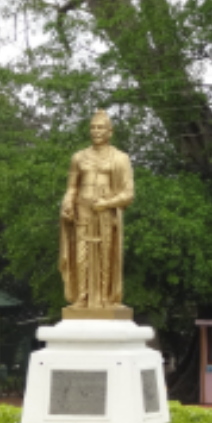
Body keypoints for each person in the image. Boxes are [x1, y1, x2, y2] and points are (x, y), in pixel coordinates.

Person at [59, 109, 134, 310]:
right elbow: (72, 187)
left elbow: (128, 193)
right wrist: (67, 204)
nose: (96, 131)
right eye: (93, 127)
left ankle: (105, 298)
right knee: (81, 254)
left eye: (100, 127)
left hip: (106, 212)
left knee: (105, 254)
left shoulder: (120, 158)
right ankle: (82, 297)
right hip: (83, 210)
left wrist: (107, 204)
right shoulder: (79, 157)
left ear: (110, 131)